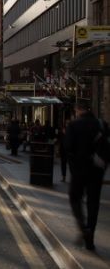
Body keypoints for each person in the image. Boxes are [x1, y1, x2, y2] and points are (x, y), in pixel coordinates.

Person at [65, 104, 109, 252]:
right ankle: (90, 238)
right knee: (93, 202)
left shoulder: (73, 124)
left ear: (78, 110)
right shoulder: (102, 124)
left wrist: (73, 168)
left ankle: (83, 227)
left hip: (79, 170)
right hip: (97, 170)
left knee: (74, 198)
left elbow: (68, 148)